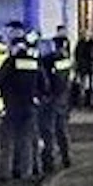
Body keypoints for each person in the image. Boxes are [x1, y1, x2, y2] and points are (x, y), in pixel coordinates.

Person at [0, 34, 42, 182]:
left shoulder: (10, 62)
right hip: (29, 105)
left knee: (8, 141)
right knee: (26, 140)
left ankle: (6, 172)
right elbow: (45, 84)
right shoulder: (34, 62)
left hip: (12, 106)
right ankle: (26, 172)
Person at [36, 38, 73, 175]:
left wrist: (42, 95)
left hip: (49, 101)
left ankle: (48, 163)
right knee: (61, 130)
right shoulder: (64, 60)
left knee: (47, 133)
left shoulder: (45, 61)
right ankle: (66, 158)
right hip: (62, 100)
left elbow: (44, 81)